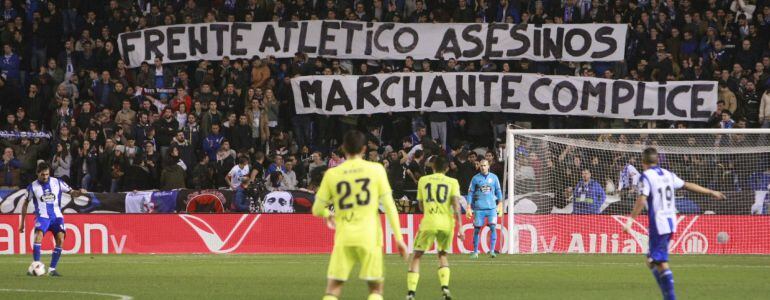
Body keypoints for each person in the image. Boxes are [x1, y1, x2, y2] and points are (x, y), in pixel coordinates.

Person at [311, 130, 408, 300]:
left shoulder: (332, 174)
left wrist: (328, 214)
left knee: (333, 289)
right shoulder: (376, 170)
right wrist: (399, 238)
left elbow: (316, 208)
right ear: (364, 149)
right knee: (375, 290)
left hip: (344, 237)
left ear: (343, 148)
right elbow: (390, 206)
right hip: (369, 237)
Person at [623, 148, 725, 300]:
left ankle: (670, 298)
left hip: (659, 224)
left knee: (659, 262)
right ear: (657, 161)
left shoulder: (646, 176)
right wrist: (711, 192)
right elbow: (687, 185)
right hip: (671, 222)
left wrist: (630, 220)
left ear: (643, 162)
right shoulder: (667, 174)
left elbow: (642, 198)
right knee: (652, 261)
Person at [406, 155, 464, 300]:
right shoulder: (453, 182)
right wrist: (461, 227)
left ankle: (411, 293)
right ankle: (445, 289)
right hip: (446, 224)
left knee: (417, 256)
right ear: (446, 168)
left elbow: (420, 205)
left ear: (432, 167)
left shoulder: (423, 181)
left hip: (429, 221)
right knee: (442, 254)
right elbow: (456, 205)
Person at [19, 162, 88, 277]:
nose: (45, 177)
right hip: (42, 216)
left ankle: (52, 269)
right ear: (37, 173)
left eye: (47, 174)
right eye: (42, 175)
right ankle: (36, 265)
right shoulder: (33, 186)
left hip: (57, 216)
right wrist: (22, 223)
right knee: (38, 236)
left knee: (60, 240)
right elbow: (25, 203)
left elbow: (72, 193)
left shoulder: (57, 182)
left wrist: (79, 192)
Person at [465, 159, 503, 258]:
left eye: (484, 165)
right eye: (481, 165)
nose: (482, 167)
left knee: (493, 227)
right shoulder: (475, 178)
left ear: (488, 166)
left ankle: (491, 251)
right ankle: (475, 252)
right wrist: (468, 206)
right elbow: (470, 193)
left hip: (491, 208)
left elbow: (498, 191)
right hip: (479, 208)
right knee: (477, 229)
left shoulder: (494, 178)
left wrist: (500, 203)